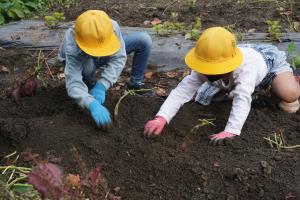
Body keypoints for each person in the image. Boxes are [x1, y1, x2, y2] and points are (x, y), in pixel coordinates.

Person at [144, 27, 300, 145]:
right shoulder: (204, 65)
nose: (209, 73)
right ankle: (231, 87)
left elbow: (242, 98)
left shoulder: (246, 69)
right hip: (236, 68)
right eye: (207, 70)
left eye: (215, 70)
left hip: (268, 66)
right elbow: (181, 91)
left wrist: (231, 130)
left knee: (290, 95)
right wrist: (161, 118)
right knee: (203, 98)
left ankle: (284, 82)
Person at [58, 10, 152, 128]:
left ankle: (136, 83)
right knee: (88, 68)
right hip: (83, 59)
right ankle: (89, 87)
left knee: (144, 40)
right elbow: (73, 82)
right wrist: (90, 103)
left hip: (105, 49)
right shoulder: (73, 43)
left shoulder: (111, 27)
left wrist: (102, 85)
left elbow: (119, 57)